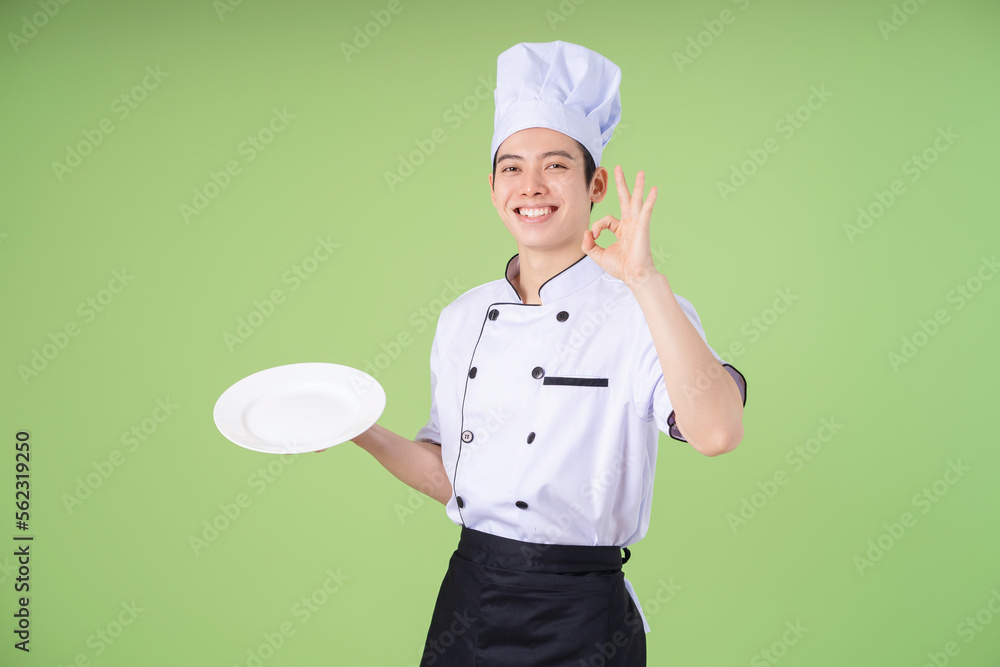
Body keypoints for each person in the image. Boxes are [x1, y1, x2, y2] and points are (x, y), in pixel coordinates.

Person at [351, 40, 747, 666]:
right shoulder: (461, 319)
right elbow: (454, 479)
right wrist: (358, 430)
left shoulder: (640, 308)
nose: (530, 186)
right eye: (511, 167)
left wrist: (646, 282)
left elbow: (718, 431)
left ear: (594, 185)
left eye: (555, 166)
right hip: (469, 601)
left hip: (581, 614)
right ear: (491, 186)